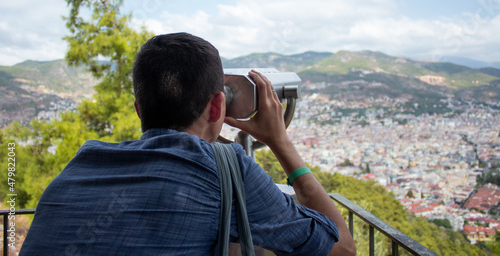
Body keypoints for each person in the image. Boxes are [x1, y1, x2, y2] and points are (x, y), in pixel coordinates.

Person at [20, 33, 356, 255]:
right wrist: (280, 141)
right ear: (216, 107)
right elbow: (342, 250)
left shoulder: (83, 163)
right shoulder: (223, 170)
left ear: (139, 109)